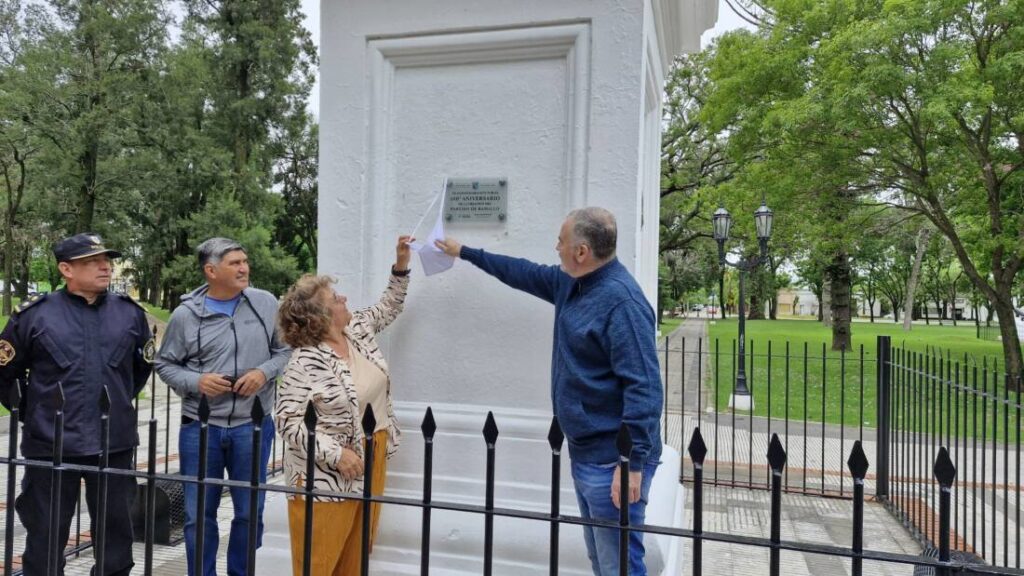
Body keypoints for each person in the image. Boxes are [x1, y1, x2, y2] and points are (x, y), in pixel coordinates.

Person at [435, 208, 662, 576]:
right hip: (587, 452)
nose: (556, 247)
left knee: (619, 566)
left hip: (613, 461)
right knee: (602, 561)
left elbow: (645, 388)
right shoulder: (572, 283)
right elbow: (521, 272)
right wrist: (464, 252)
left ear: (582, 252)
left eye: (561, 241)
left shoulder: (623, 303)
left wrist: (630, 464)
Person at [0, 233, 153, 576]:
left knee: (116, 537)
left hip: (113, 441)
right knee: (45, 535)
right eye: (92, 261)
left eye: (106, 260)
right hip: (51, 443)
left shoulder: (129, 314)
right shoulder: (34, 315)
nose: (105, 267)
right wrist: (35, 413)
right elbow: (5, 373)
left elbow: (139, 370)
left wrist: (114, 405)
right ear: (66, 269)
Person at [275, 235, 412, 576]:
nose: (345, 299)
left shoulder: (357, 330)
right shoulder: (304, 362)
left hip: (373, 452)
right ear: (321, 316)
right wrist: (337, 454)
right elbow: (288, 421)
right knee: (319, 562)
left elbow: (389, 306)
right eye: (336, 298)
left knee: (356, 556)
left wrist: (401, 265)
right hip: (325, 475)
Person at [155, 238, 291, 576]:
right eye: (235, 263)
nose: (244, 268)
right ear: (211, 271)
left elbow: (286, 351)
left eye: (245, 261)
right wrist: (196, 381)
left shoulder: (265, 303)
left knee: (249, 512)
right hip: (200, 429)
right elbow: (165, 364)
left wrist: (263, 372)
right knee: (198, 514)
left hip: (253, 425)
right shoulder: (185, 315)